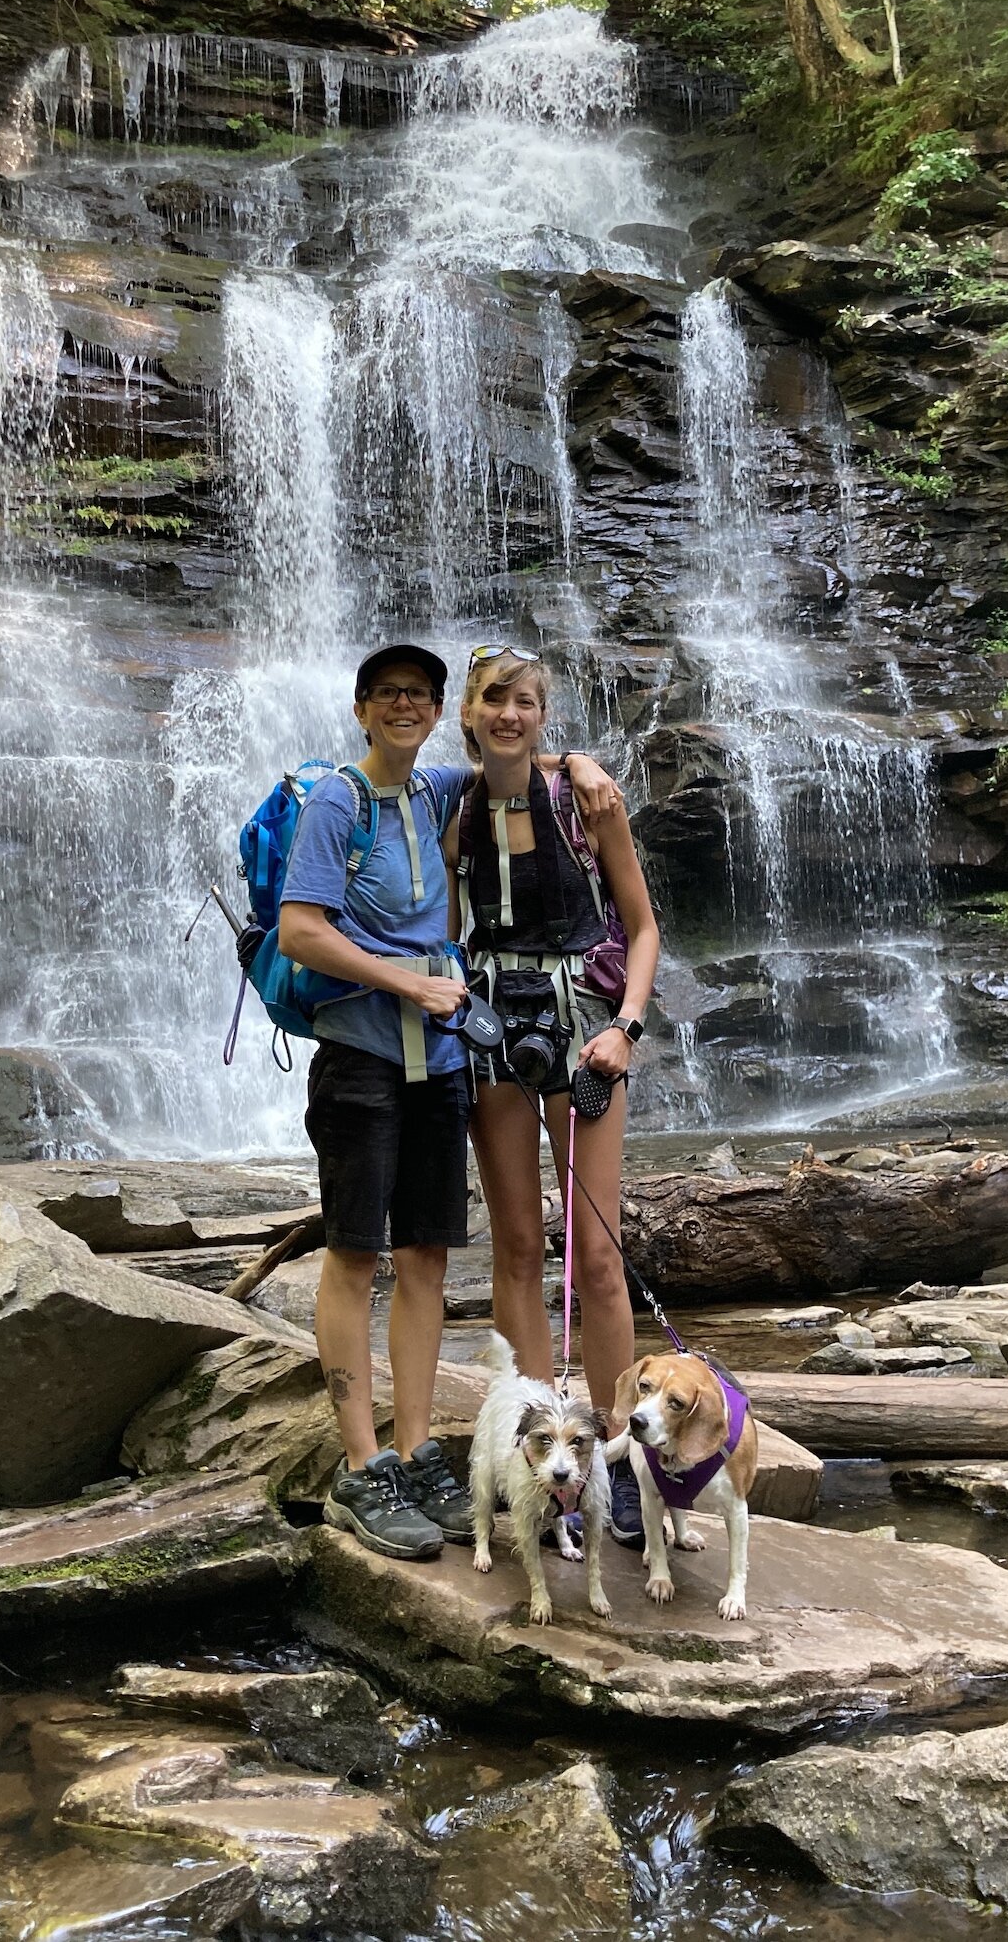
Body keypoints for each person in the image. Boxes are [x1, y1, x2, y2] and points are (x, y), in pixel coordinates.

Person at [277, 642, 618, 1560]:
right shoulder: (335, 805)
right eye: (388, 693)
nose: (404, 707)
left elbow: (509, 755)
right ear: (360, 707)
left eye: (419, 696)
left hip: (442, 1062)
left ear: (439, 713)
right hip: (360, 1053)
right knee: (355, 1255)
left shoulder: (438, 798)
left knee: (425, 1252)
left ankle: (418, 1448)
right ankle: (361, 1467)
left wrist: (571, 760)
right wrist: (403, 982)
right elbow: (300, 930)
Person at [447, 645, 660, 1548]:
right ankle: (537, 1452)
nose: (510, 713)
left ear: (545, 713)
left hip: (583, 1028)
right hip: (493, 1025)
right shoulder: (448, 808)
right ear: (471, 710)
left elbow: (643, 927)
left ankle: (615, 1454)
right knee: (519, 1248)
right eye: (496, 698)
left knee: (599, 1256)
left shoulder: (587, 799)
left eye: (527, 701)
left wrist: (629, 1026)